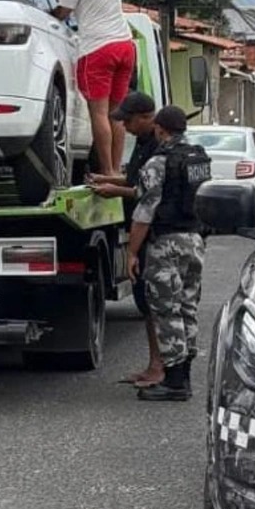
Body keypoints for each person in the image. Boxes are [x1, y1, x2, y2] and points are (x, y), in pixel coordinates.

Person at [9, 0, 135, 177]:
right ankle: (116, 170)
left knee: (98, 113)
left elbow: (62, 13)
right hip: (124, 45)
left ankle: (107, 171)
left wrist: (37, 13)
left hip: (97, 49)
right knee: (116, 113)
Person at [127, 105, 210, 402]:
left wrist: (132, 252)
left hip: (166, 243)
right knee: (188, 307)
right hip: (195, 241)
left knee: (166, 309)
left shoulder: (158, 162)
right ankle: (183, 377)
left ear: (160, 129)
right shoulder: (198, 157)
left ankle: (174, 382)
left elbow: (145, 210)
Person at [88, 92, 163, 387]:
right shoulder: (145, 144)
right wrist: (104, 179)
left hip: (156, 236)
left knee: (157, 306)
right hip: (145, 234)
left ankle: (162, 369)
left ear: (147, 117)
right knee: (146, 304)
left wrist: (114, 191)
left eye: (129, 122)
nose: (127, 128)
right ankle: (154, 365)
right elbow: (136, 179)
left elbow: (149, 194)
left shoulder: (159, 147)